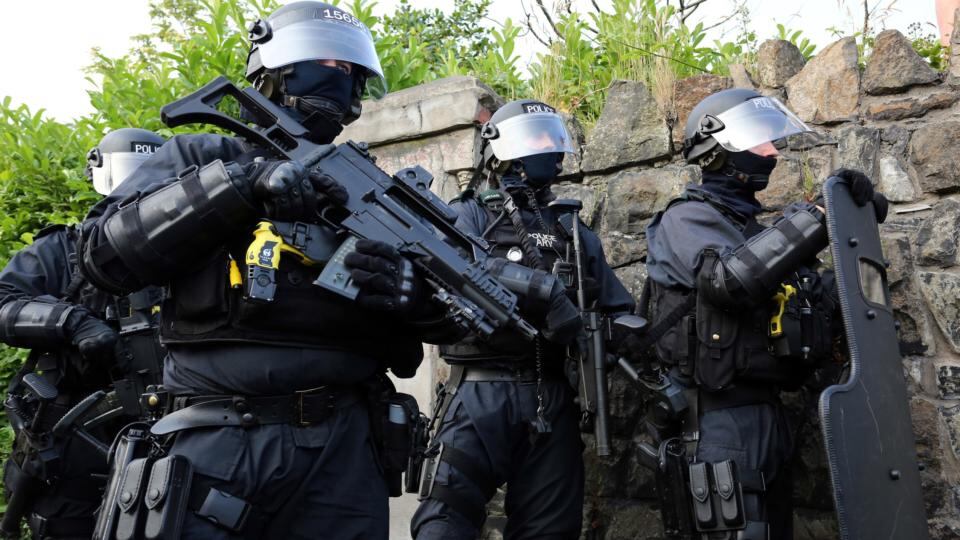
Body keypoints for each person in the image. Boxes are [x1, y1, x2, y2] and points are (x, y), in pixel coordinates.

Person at [76, 3, 554, 538]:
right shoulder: (204, 154)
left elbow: (446, 325)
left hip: (345, 451)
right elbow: (101, 254)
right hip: (220, 438)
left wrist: (408, 295)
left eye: (353, 70)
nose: (342, 78)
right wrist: (240, 187)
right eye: (330, 61)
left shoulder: (374, 185)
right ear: (278, 65)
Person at [639, 88, 888, 539]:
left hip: (769, 418)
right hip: (715, 423)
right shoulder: (685, 219)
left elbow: (824, 304)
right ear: (717, 149)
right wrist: (816, 217)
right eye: (759, 141)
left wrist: (854, 216)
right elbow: (729, 281)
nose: (772, 152)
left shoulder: (752, 230)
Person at [411, 99, 635, 540]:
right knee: (444, 524)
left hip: (552, 395)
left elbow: (615, 309)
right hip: (479, 391)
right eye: (536, 137)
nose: (549, 147)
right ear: (502, 148)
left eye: (553, 137)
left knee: (551, 530)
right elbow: (443, 263)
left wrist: (614, 337)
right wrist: (540, 290)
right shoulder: (470, 214)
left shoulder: (572, 231)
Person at [0, 128, 166, 539]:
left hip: (172, 430)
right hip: (75, 435)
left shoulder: (189, 257)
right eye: (129, 174)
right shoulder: (66, 249)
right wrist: (70, 322)